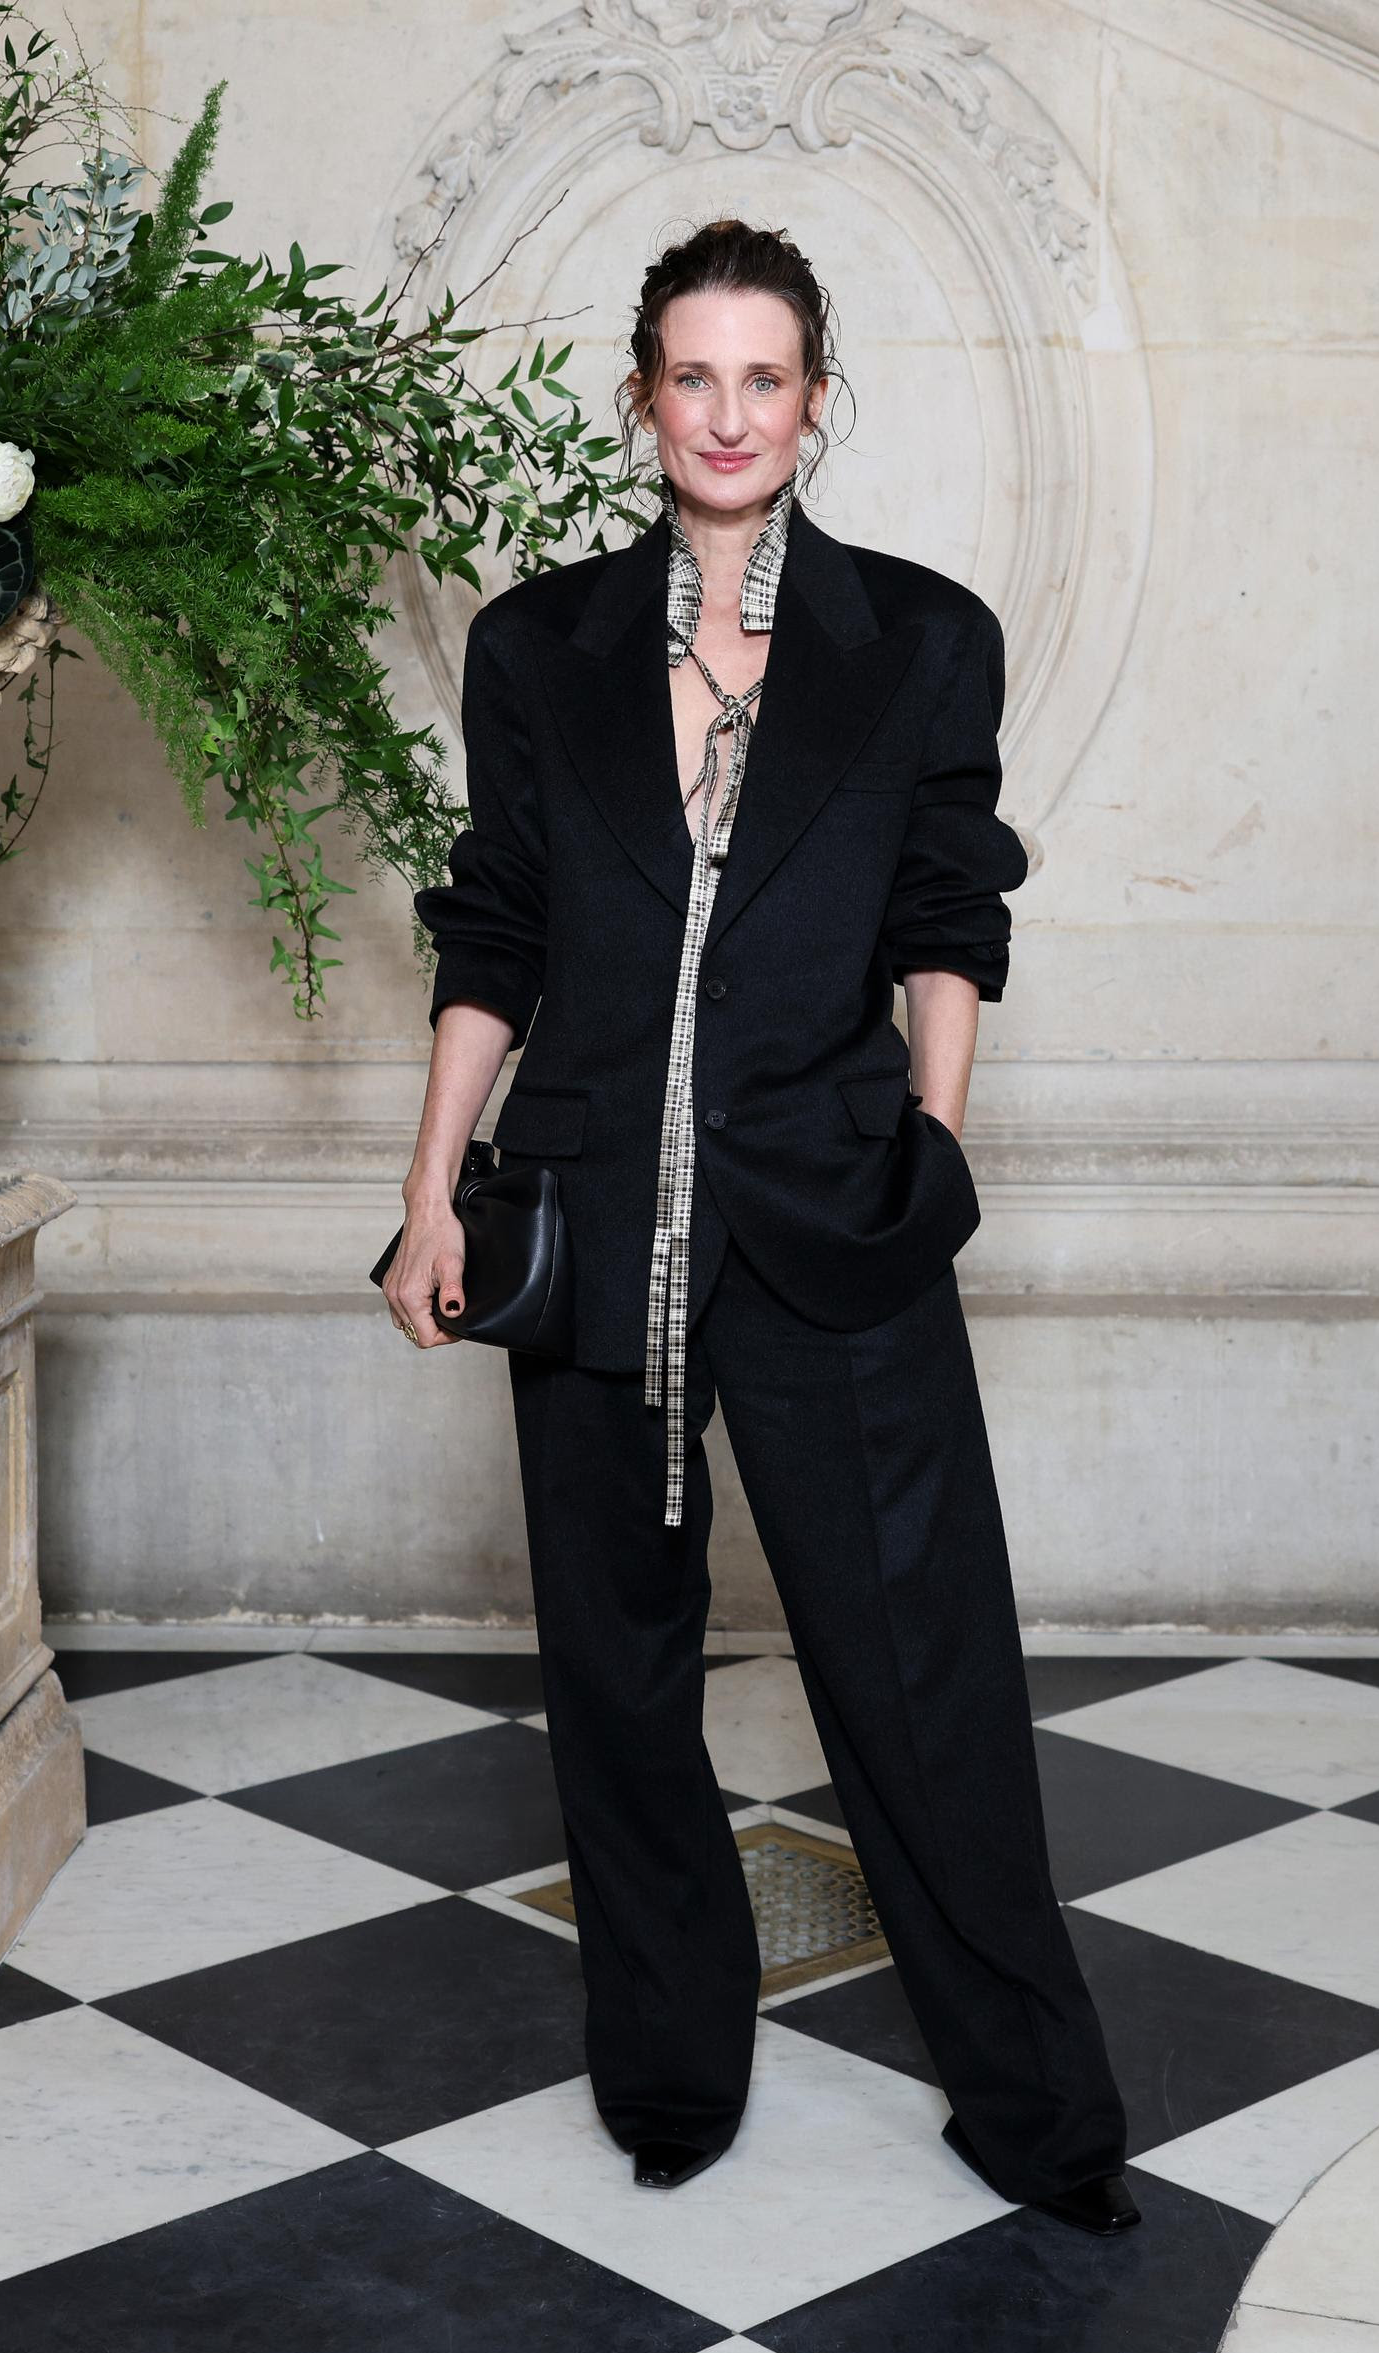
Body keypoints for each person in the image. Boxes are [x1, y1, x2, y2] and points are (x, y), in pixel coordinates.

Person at [388, 218, 1138, 2234]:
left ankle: (1035, 2110)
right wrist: (430, 1190)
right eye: (694, 376)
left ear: (816, 398)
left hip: (835, 1202)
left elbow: (950, 912)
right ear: (646, 399)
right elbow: (497, 928)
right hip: (586, 1212)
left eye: (767, 377)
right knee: (617, 1676)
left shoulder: (924, 639)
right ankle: (668, 2073)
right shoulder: (538, 648)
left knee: (922, 1666)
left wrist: (933, 1148)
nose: (729, 415)